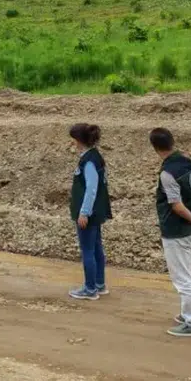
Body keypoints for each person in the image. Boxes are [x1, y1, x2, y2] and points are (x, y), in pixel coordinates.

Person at [150, 128, 191, 338]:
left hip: (177, 231)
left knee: (183, 278)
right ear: (173, 142)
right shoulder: (190, 165)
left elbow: (175, 205)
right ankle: (187, 315)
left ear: (154, 147)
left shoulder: (167, 173)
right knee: (187, 272)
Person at [67, 123, 112, 300]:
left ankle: (90, 288)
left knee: (88, 250)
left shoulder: (89, 161)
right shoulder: (95, 157)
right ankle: (99, 284)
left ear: (79, 140)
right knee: (96, 248)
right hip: (97, 210)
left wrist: (84, 212)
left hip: (90, 212)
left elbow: (91, 188)